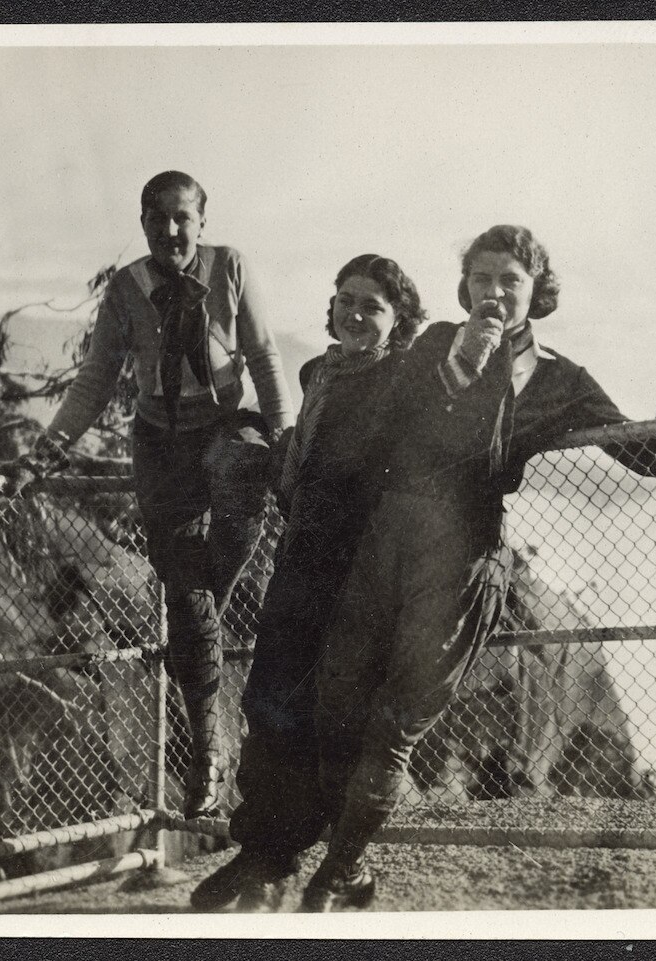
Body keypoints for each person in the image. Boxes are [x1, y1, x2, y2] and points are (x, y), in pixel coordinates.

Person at [300, 225, 656, 911]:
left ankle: (336, 872)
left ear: (535, 291)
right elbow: (386, 426)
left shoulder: (560, 379)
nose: (493, 292)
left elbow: (645, 457)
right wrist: (468, 355)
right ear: (465, 286)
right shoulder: (433, 345)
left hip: (461, 561)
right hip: (386, 541)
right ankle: (344, 862)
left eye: (509, 280)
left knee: (397, 722)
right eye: (482, 278)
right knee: (337, 707)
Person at [6, 171, 294, 818]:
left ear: (202, 220)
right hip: (160, 446)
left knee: (208, 576)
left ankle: (196, 639)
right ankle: (208, 749)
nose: (169, 230)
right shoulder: (127, 288)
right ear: (142, 222)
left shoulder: (231, 268)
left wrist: (285, 440)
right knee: (190, 601)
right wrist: (43, 456)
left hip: (226, 431)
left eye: (182, 217)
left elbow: (266, 355)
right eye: (156, 218)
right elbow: (94, 381)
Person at [190, 254, 426, 912]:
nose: (354, 313)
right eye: (345, 299)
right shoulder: (317, 373)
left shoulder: (406, 380)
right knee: (269, 703)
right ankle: (262, 852)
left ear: (399, 318)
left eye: (372, 305)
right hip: (299, 562)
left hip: (363, 574)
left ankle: (341, 865)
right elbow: (300, 461)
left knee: (337, 718)